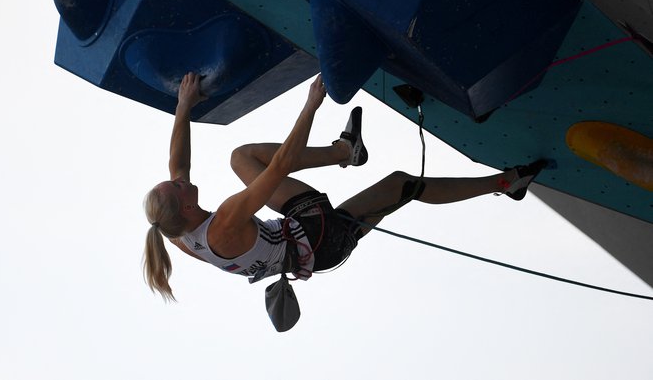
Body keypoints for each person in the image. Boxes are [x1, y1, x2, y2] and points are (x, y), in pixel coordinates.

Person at [143, 72, 546, 301]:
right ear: (184, 207)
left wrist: (184, 106)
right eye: (178, 187)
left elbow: (177, 164)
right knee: (404, 185)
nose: (183, 181)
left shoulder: (176, 234)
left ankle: (346, 151)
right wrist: (311, 105)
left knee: (239, 157)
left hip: (299, 242)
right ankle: (507, 182)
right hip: (319, 239)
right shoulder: (224, 222)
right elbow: (281, 162)